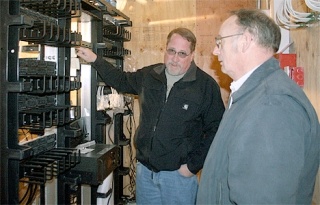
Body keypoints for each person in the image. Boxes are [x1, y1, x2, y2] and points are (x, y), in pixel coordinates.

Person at [76, 27, 225, 204]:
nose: (175, 58)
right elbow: (122, 80)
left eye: (182, 53)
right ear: (166, 49)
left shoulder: (205, 87)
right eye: (171, 51)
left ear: (192, 55)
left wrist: (192, 167)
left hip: (178, 178)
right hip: (145, 172)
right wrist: (95, 59)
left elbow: (217, 130)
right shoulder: (150, 75)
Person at [197, 9, 320, 204]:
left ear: (245, 41)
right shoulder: (252, 94)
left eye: (220, 42)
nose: (215, 50)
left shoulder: (272, 106)